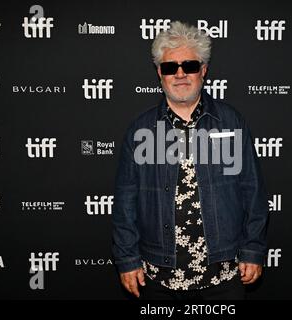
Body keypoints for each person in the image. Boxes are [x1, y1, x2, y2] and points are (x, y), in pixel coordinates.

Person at [112, 21, 269, 300]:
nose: (181, 74)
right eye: (171, 67)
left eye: (190, 66)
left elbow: (252, 191)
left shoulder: (231, 123)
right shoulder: (141, 131)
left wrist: (253, 249)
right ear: (160, 73)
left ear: (204, 71)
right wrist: (127, 258)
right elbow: (126, 201)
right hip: (158, 278)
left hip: (223, 276)